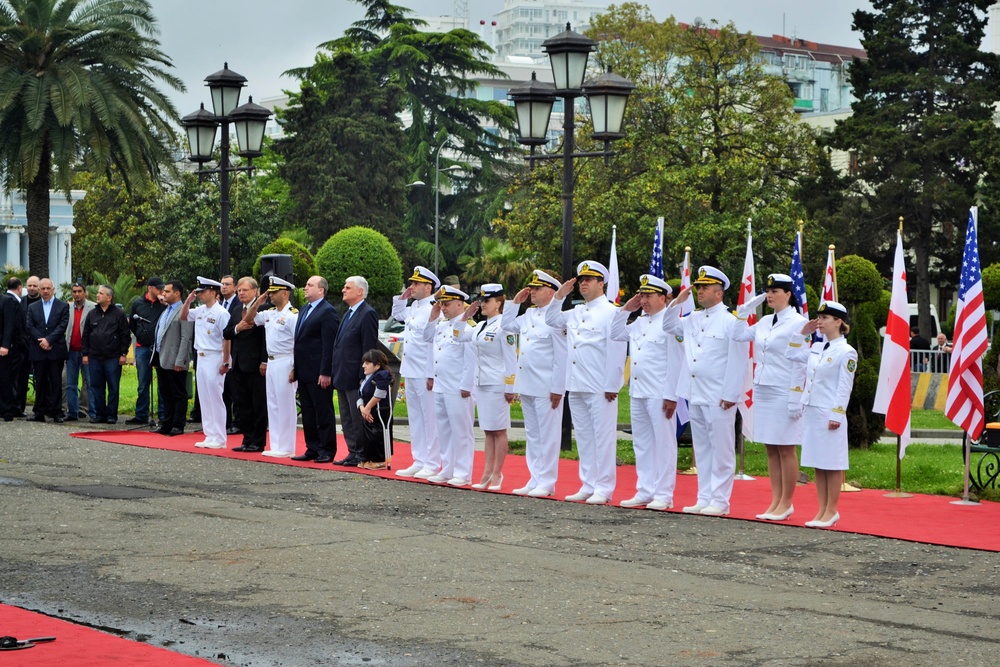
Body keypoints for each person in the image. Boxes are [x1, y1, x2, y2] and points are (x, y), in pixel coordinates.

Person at [662, 267, 750, 516]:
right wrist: (677, 303)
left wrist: (731, 394)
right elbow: (668, 326)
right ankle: (704, 497)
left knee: (721, 449)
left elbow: (738, 360)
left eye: (705, 287)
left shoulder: (731, 322)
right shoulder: (693, 318)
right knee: (702, 448)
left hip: (719, 395)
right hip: (695, 392)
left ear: (719, 293)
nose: (699, 291)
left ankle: (720, 501)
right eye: (698, 287)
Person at [545, 261, 628, 505]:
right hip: (577, 383)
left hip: (600, 386)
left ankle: (604, 487)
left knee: (603, 439)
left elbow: (616, 350)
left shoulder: (612, 312)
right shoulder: (576, 312)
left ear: (601, 284)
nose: (583, 283)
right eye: (581, 280)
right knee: (584, 437)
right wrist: (560, 295)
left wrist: (613, 384)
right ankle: (588, 483)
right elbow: (551, 319)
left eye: (588, 280)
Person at [730, 274, 809, 521]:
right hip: (763, 388)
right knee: (771, 448)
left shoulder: (798, 322)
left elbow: (801, 363)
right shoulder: (765, 321)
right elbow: (738, 335)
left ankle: (787, 502)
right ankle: (775, 500)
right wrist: (744, 310)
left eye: (775, 291)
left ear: (788, 294)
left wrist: (796, 397)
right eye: (768, 291)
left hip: (784, 389)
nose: (770, 295)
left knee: (786, 448)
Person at [611, 275, 684, 510]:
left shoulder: (670, 323)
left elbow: (676, 361)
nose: (643, 300)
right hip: (639, 391)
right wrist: (625, 309)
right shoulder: (639, 322)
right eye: (641, 295)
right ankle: (645, 490)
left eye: (649, 296)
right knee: (642, 444)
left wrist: (672, 395)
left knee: (664, 444)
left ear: (663, 298)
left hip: (660, 392)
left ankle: (664, 494)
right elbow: (614, 333)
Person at [791, 301, 857, 528]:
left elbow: (844, 386)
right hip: (812, 410)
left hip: (829, 412)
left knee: (832, 462)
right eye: (819, 317)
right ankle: (821, 509)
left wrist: (837, 414)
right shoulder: (817, 348)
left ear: (839, 322)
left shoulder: (847, 351)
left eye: (825, 318)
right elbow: (791, 355)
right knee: (818, 463)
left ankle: (831, 510)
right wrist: (802, 334)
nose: (820, 322)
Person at [502, 270, 567, 498]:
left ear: (551, 292)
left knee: (548, 436)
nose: (532, 292)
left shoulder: (557, 318)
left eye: (537, 289)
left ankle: (547, 482)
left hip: (546, 386)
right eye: (531, 288)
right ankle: (535, 478)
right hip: (527, 383)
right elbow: (506, 326)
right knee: (533, 434)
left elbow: (562, 355)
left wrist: (558, 388)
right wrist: (514, 303)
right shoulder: (529, 314)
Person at [457, 284, 517, 491]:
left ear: (498, 303)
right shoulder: (480, 326)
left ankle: (497, 473)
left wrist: (510, 387)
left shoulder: (504, 326)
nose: (482, 304)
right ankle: (486, 472)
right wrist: (465, 316)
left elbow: (511, 359)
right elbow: (457, 336)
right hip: (481, 383)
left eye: (487, 301)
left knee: (499, 430)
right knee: (488, 430)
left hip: (497, 383)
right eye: (482, 301)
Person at [391, 266, 443, 479]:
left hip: (425, 371)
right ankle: (419, 459)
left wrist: (432, 373)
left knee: (429, 419)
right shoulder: (413, 308)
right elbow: (397, 314)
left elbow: (434, 345)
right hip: (411, 369)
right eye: (411, 283)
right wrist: (402, 298)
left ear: (428, 287)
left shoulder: (434, 308)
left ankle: (432, 463)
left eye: (415, 284)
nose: (411, 287)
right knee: (416, 418)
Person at [423, 285, 477, 486]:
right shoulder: (441, 325)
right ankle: (447, 468)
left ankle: (463, 472)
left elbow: (471, 360)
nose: (443, 308)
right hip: (441, 385)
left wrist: (466, 385)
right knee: (444, 429)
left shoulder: (468, 327)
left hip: (457, 387)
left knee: (461, 431)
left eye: (446, 304)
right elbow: (426, 338)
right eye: (442, 304)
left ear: (459, 304)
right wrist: (433, 316)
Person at [244, 277, 299, 458]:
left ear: (285, 293)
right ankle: (276, 444)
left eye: (274, 292)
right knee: (273, 405)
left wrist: (295, 368)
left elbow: (298, 344)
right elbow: (249, 319)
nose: (271, 295)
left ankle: (287, 446)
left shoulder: (292, 315)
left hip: (286, 361)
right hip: (272, 361)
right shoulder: (269, 313)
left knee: (286, 406)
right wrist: (258, 302)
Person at [289, 275, 339, 463]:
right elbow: (299, 342)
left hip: (319, 372)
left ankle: (327, 449)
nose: (305, 287)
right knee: (308, 411)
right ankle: (312, 447)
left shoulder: (327, 312)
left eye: (310, 285)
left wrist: (326, 372)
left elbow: (329, 345)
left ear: (321, 290)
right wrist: (296, 368)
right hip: (304, 370)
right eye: (306, 284)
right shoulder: (304, 310)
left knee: (322, 411)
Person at [332, 276, 379, 466]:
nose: (343, 290)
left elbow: (368, 346)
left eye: (347, 287)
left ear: (360, 291)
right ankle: (352, 451)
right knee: (346, 417)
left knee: (356, 416)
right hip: (343, 373)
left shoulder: (367, 313)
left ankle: (361, 453)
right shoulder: (349, 312)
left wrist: (364, 376)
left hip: (355, 375)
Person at [181, 277, 232, 449]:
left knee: (215, 397)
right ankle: (209, 434)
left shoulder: (221, 313)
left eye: (203, 292)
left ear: (213, 292)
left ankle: (220, 436)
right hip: (201, 357)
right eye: (199, 292)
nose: (200, 295)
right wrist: (188, 301)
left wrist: (226, 361)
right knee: (204, 397)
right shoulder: (200, 310)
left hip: (214, 355)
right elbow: (183, 316)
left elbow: (227, 338)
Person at [223, 277, 269, 453]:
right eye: (240, 290)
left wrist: (264, 360)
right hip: (239, 364)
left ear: (255, 292)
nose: (241, 293)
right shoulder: (236, 310)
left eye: (245, 290)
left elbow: (266, 338)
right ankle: (247, 439)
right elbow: (226, 333)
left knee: (258, 404)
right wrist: (237, 328)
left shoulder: (263, 309)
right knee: (243, 405)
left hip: (256, 364)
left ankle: (258, 441)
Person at [81, 285, 130, 424]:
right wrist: (85, 354)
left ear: (109, 297)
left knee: (113, 387)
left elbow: (125, 335)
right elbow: (85, 335)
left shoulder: (118, 314)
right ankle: (99, 414)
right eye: (97, 293)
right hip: (95, 357)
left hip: (113, 357)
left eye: (101, 293)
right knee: (96, 387)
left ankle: (111, 415)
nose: (97, 295)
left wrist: (123, 353)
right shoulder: (92, 314)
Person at [152, 280, 194, 437]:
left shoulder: (184, 310)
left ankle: (178, 424)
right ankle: (167, 423)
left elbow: (186, 338)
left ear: (177, 293)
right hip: (162, 358)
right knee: (165, 393)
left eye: (167, 291)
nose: (163, 294)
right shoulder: (166, 310)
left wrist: (181, 360)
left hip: (175, 360)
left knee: (178, 393)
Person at [26, 278, 70, 422]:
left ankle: (56, 411)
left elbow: (62, 326)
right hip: (38, 350)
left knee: (56, 381)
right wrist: (42, 341)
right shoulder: (33, 307)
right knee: (40, 381)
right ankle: (39, 411)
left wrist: (49, 340)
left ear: (53, 289)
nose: (45, 291)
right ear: (39, 290)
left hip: (55, 350)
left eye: (48, 288)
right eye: (42, 289)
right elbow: (30, 326)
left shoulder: (63, 306)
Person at [128, 277, 166, 426]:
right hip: (143, 347)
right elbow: (132, 323)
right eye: (158, 288)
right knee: (143, 382)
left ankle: (163, 414)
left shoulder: (164, 304)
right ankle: (141, 414)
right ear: (150, 288)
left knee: (162, 382)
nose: (161, 291)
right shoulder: (138, 303)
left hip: (159, 347)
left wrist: (165, 303)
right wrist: (141, 337)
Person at [356, 349, 395, 470]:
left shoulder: (382, 375)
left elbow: (380, 393)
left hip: (380, 411)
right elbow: (360, 397)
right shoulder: (367, 378)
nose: (363, 366)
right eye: (363, 363)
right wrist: (363, 409)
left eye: (367, 363)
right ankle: (369, 458)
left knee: (376, 435)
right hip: (368, 412)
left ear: (377, 365)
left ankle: (379, 461)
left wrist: (367, 408)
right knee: (367, 437)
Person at [64, 282, 95, 422]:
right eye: (74, 291)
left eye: (79, 291)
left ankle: (92, 412)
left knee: (89, 382)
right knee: (70, 384)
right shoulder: (67, 307)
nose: (77, 294)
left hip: (86, 352)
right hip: (70, 351)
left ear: (85, 292)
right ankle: (72, 412)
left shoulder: (93, 307)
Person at [1, 277, 28, 421]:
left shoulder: (6, 301)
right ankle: (7, 408)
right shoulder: (10, 301)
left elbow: (9, 326)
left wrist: (5, 345)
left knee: (7, 379)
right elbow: (11, 326)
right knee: (8, 379)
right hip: (9, 348)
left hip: (6, 348)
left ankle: (8, 409)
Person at [16, 275, 40, 414]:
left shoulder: (44, 303)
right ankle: (19, 407)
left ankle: (42, 408)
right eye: (29, 285)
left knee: (43, 378)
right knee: (21, 378)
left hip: (40, 345)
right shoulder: (20, 302)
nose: (31, 288)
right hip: (23, 346)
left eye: (34, 286)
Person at [219, 274, 238, 433]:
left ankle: (237, 423)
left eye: (227, 284)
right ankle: (225, 421)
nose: (224, 287)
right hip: (220, 352)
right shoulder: (219, 304)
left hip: (234, 352)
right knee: (223, 391)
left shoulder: (238, 305)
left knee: (234, 390)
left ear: (235, 287)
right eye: (222, 284)